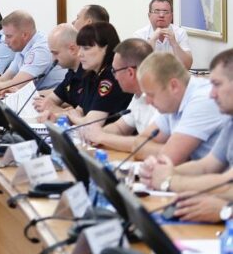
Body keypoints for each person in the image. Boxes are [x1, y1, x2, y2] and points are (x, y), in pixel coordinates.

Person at [140, 49, 233, 222]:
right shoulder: (230, 120)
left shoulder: (203, 101)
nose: (212, 94)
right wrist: (162, 172)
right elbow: (206, 166)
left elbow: (227, 183)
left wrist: (169, 181)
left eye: (217, 84)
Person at [132, 52, 227, 164]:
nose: (148, 102)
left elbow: (171, 158)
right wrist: (173, 152)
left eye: (151, 95)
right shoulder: (173, 103)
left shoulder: (203, 100)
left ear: (173, 86)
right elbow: (138, 145)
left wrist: (172, 153)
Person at [41, 23, 131, 124]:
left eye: (86, 48)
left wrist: (71, 117)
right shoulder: (90, 75)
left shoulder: (111, 76)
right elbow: (79, 111)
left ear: (105, 48)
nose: (79, 54)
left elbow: (91, 123)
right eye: (80, 48)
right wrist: (55, 117)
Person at [79, 39, 158, 152]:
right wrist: (97, 134)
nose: (114, 77)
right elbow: (120, 127)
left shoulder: (159, 99)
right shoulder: (138, 95)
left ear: (130, 72)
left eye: (114, 71)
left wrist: (102, 137)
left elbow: (146, 144)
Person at [0, 10, 66, 93]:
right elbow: (4, 79)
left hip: (54, 99)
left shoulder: (40, 50)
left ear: (24, 35)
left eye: (8, 36)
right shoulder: (22, 47)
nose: (5, 41)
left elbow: (15, 86)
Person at [33, 24, 82, 119]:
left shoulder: (89, 74)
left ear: (72, 49)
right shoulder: (71, 73)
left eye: (55, 53)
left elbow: (83, 115)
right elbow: (51, 100)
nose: (53, 59)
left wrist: (58, 111)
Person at [133, 0, 193, 69]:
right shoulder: (139, 35)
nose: (161, 15)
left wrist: (174, 43)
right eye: (156, 11)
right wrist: (152, 40)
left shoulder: (180, 33)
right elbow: (138, 66)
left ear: (171, 16)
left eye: (165, 12)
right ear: (149, 15)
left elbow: (187, 65)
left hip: (174, 74)